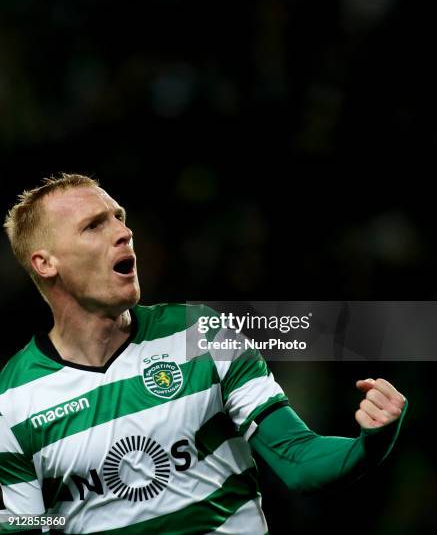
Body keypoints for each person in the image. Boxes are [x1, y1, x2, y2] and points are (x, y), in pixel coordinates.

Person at [0, 173, 407, 535]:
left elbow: (296, 457)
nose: (123, 233)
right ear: (45, 263)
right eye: (94, 226)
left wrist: (367, 445)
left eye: (119, 217)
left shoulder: (202, 333)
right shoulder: (11, 400)